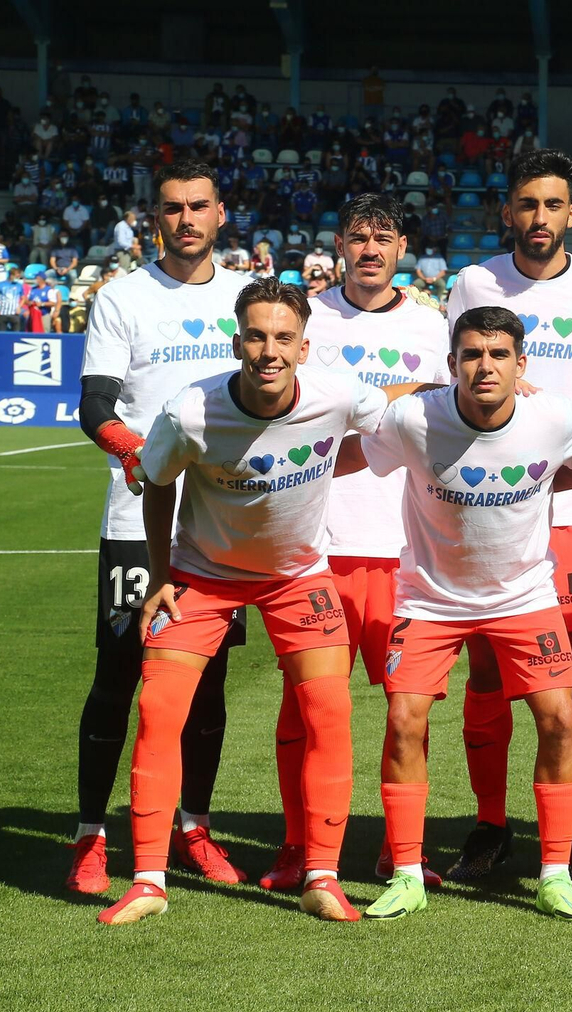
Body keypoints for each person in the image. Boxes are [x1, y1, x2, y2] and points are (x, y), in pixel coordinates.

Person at [97, 277, 389, 926]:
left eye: (283, 337)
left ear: (305, 347)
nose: (269, 350)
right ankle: (148, 879)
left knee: (330, 712)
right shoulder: (190, 412)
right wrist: (160, 571)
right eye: (256, 335)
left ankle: (321, 875)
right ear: (236, 341)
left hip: (297, 576)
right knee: (159, 708)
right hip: (203, 575)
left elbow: (394, 420)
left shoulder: (338, 394)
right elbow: (155, 482)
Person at [332, 305, 572, 924]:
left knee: (559, 717)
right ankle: (405, 873)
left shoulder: (554, 418)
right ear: (450, 365)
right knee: (403, 719)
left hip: (525, 597)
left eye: (499, 354)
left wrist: (535, 487)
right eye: (472, 354)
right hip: (431, 599)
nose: (486, 365)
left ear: (521, 364)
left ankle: (555, 872)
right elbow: (348, 455)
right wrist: (283, 465)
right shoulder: (415, 419)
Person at [442, 150, 572, 884]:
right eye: (528, 204)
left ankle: (566, 828)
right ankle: (490, 824)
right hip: (487, 504)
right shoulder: (474, 283)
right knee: (486, 666)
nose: (540, 218)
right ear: (508, 211)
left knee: (569, 677)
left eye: (554, 205)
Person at [256, 192, 452, 893]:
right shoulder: (305, 319)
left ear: (403, 248)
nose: (371, 248)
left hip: (406, 547)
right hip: (316, 543)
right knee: (305, 707)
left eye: (385, 237)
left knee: (409, 709)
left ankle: (403, 850)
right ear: (339, 243)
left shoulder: (434, 324)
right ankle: (297, 845)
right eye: (359, 235)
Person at [70, 160, 254, 897]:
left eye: (198, 206)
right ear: (156, 218)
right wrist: (138, 456)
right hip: (135, 521)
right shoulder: (122, 297)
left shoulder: (249, 297)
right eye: (173, 208)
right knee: (118, 674)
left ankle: (194, 827)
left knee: (207, 684)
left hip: (223, 527)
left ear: (221, 214)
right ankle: (90, 835)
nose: (186, 219)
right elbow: (95, 405)